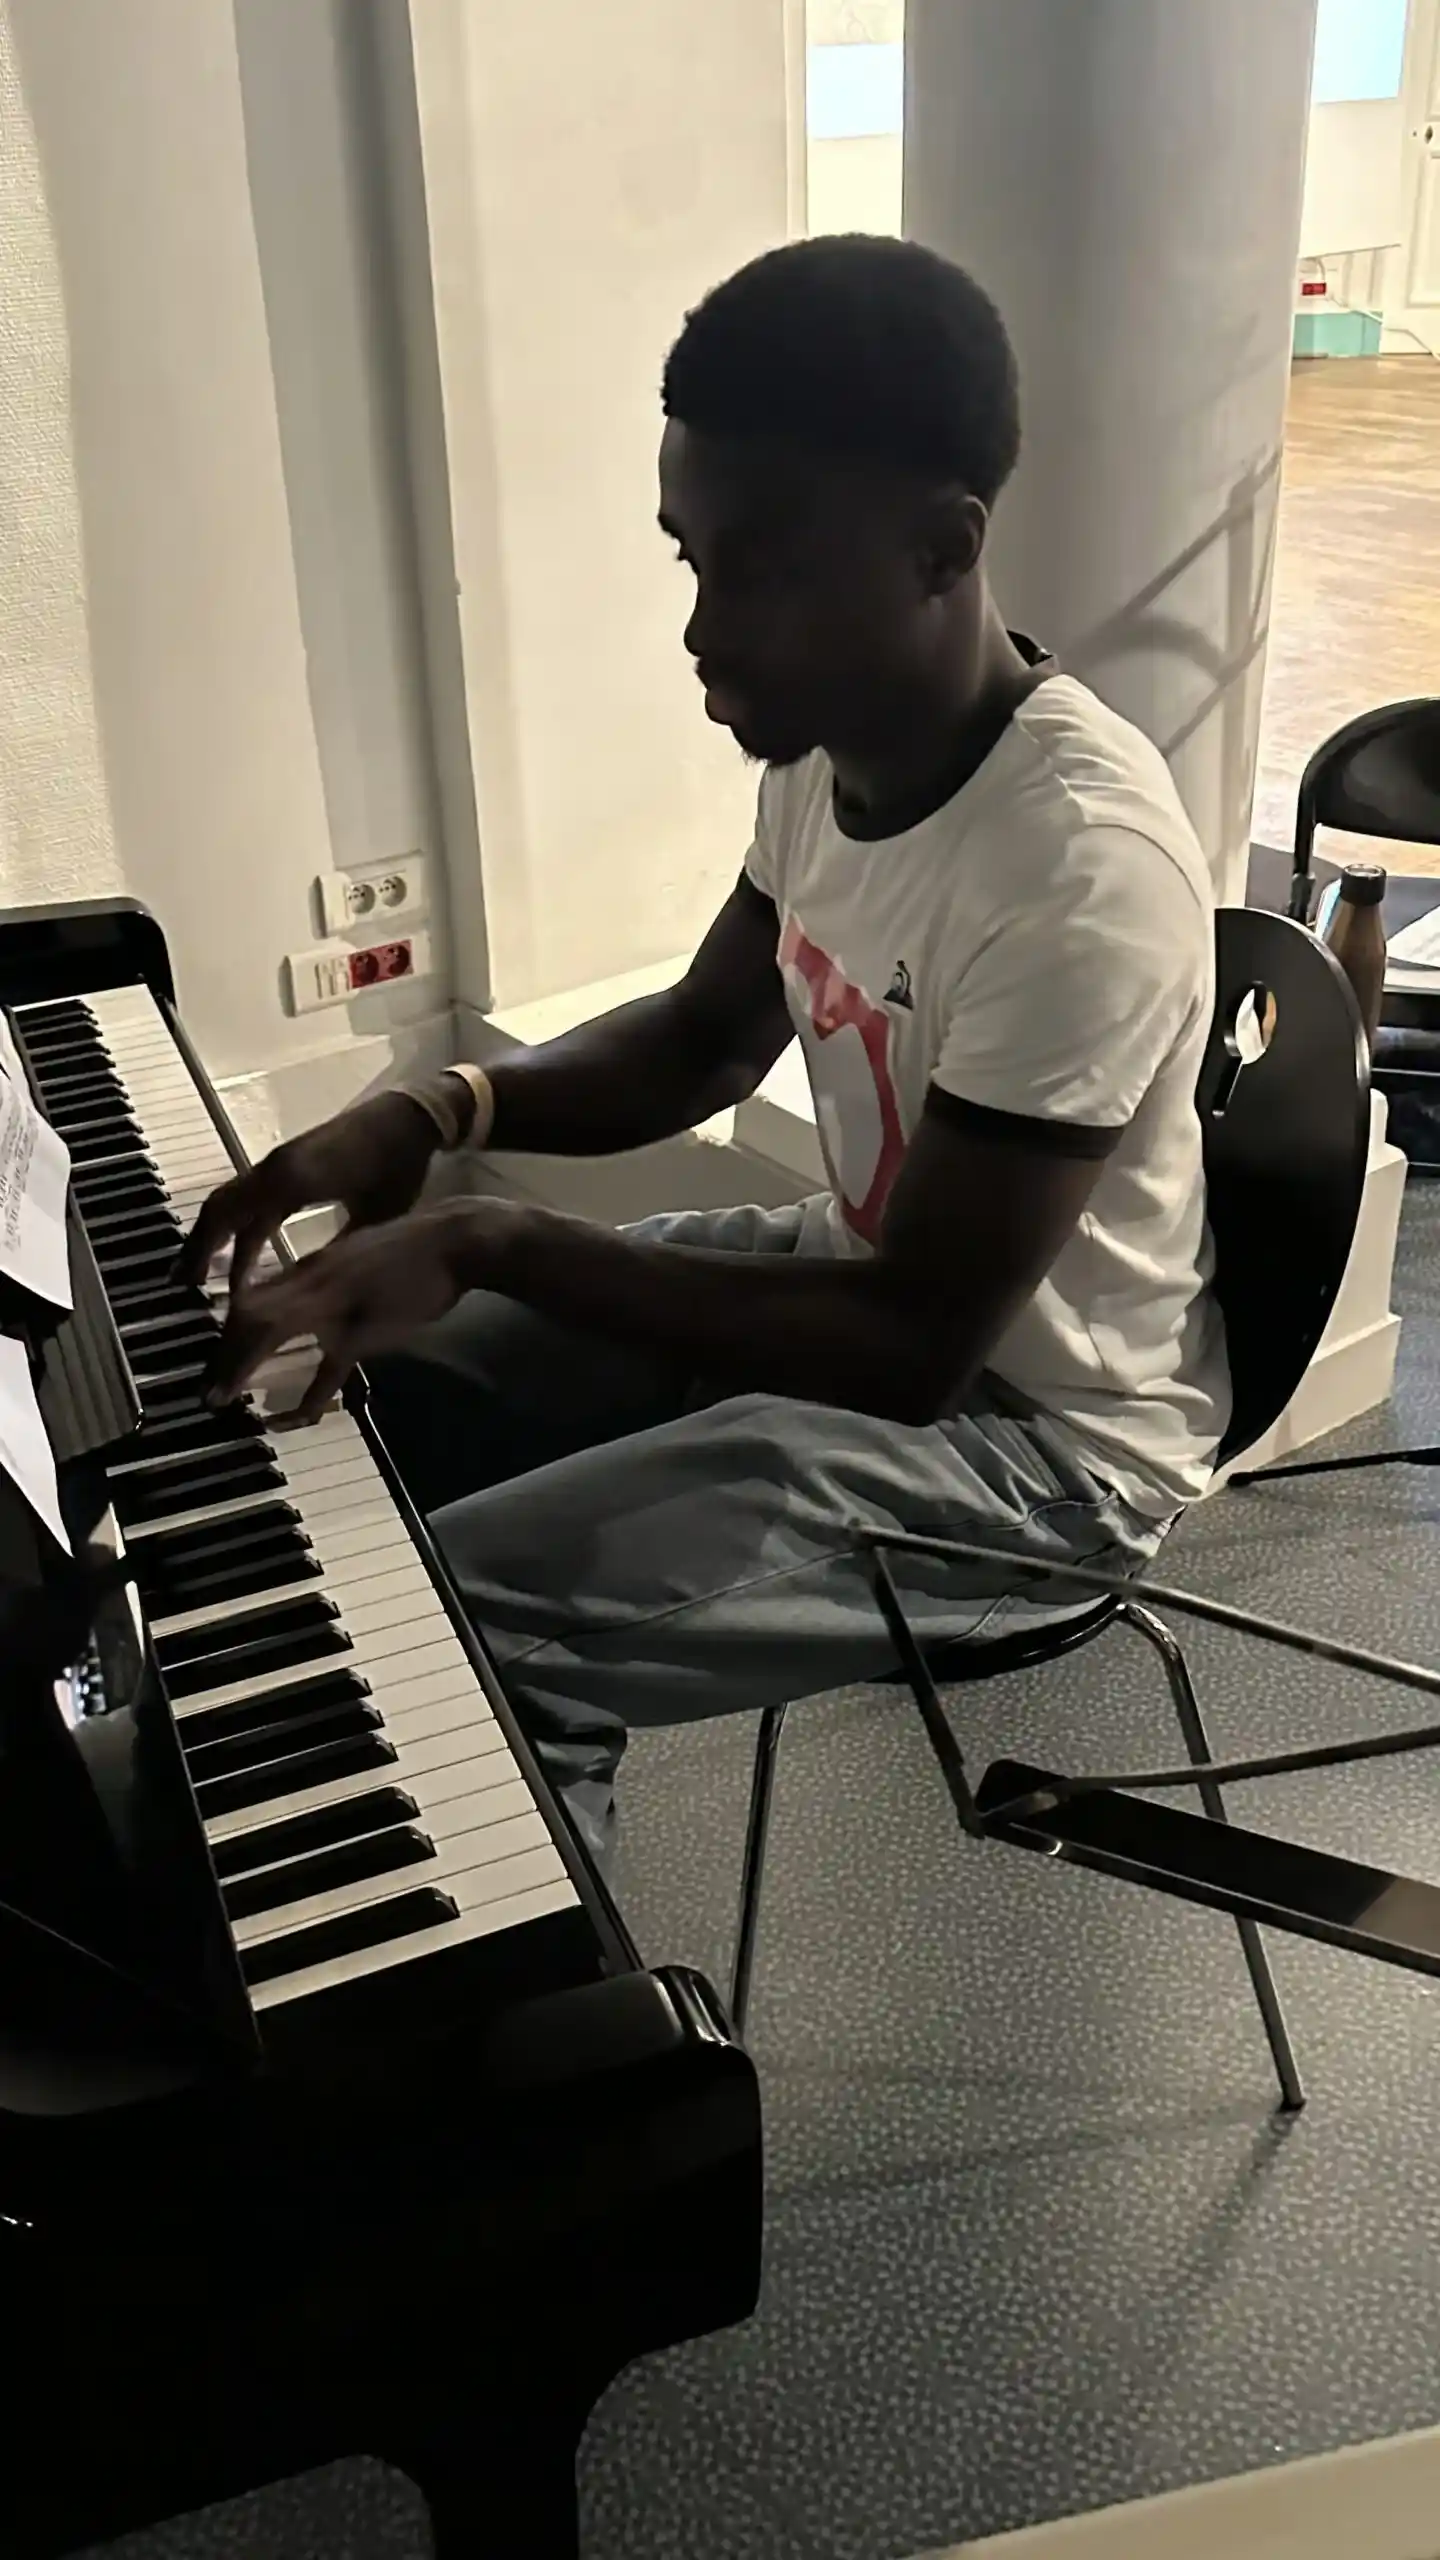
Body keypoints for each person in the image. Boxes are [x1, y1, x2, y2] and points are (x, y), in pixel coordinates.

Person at [184, 235, 1229, 1870]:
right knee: (384, 1399)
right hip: (863, 1284)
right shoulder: (828, 754)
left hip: (1040, 1455)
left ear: (945, 548)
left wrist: (494, 1236)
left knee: (468, 1635)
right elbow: (698, 1042)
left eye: (763, 570)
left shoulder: (1077, 869)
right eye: (691, 560)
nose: (703, 630)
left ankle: (538, 2019)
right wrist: (437, 1108)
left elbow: (910, 1350)